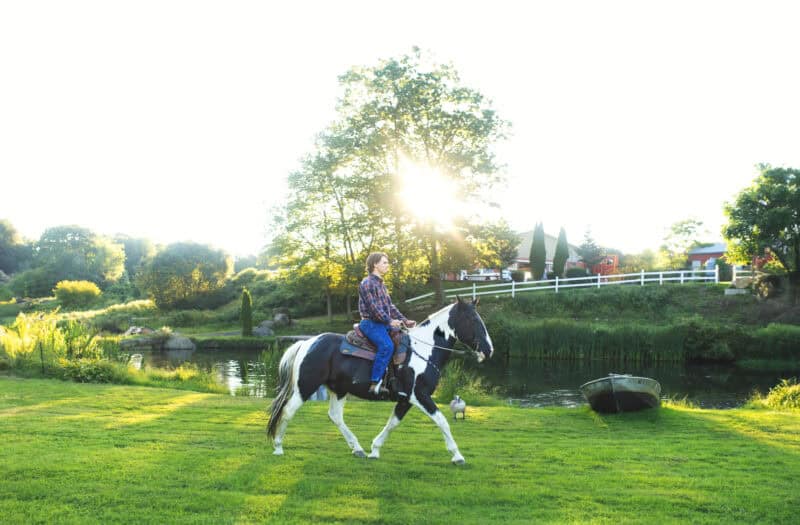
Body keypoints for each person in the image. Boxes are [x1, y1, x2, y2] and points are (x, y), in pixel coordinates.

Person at [358, 252, 416, 396]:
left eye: (387, 262)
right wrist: (390, 321)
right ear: (375, 264)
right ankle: (375, 383)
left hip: (382, 323)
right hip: (370, 323)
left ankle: (396, 380)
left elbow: (390, 307)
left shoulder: (382, 285)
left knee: (405, 339)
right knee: (386, 346)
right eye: (384, 262)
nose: (387, 265)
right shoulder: (367, 283)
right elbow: (374, 309)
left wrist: (404, 320)